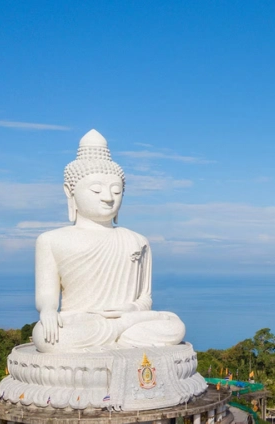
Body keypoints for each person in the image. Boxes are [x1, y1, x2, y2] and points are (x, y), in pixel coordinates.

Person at [32, 130, 185, 352]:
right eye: (96, 190)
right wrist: (47, 311)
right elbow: (47, 296)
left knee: (174, 325)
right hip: (82, 322)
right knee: (46, 336)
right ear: (70, 192)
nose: (108, 197)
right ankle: (122, 338)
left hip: (128, 318)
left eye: (117, 190)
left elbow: (145, 299)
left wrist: (130, 310)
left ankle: (117, 335)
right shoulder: (51, 240)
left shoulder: (137, 240)